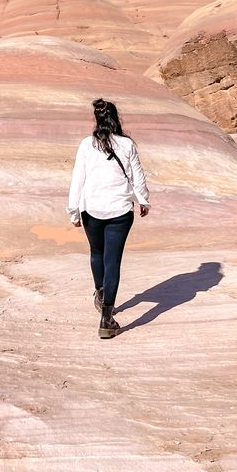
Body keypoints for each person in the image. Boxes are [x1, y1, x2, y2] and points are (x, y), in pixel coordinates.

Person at [66, 98, 151, 339]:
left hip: (91, 209)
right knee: (112, 261)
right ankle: (107, 318)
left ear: (97, 119)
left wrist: (73, 211)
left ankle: (100, 292)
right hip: (120, 211)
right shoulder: (127, 144)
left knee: (96, 253)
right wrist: (143, 201)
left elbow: (77, 179)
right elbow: (138, 176)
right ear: (115, 119)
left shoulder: (85, 145)